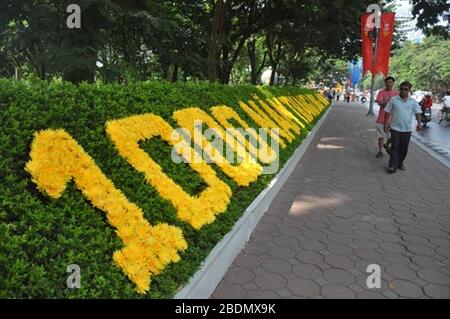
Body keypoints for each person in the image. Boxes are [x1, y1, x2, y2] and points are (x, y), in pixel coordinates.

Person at [384, 81, 422, 173]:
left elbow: (418, 112)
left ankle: (400, 163)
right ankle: (392, 166)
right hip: (395, 128)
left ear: (409, 90)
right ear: (399, 89)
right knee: (395, 147)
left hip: (407, 130)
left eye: (406, 89)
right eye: (402, 89)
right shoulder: (393, 99)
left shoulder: (412, 101)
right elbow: (387, 112)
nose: (403, 91)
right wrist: (385, 123)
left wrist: (419, 123)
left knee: (403, 149)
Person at [375, 76, 398, 158]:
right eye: (387, 82)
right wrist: (390, 102)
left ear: (393, 83)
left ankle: (387, 144)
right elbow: (380, 103)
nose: (389, 84)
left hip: (392, 119)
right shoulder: (381, 92)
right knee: (381, 136)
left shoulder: (396, 93)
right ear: (385, 83)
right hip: (381, 118)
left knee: (392, 137)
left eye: (390, 82)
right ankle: (380, 151)